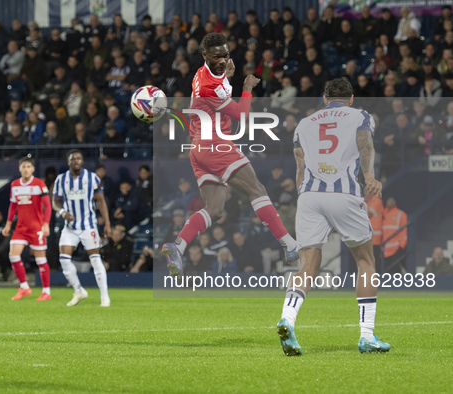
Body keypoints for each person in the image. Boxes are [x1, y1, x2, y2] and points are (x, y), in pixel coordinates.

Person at [162, 33, 299, 279]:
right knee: (257, 190)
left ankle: (178, 246)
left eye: (225, 55)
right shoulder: (209, 85)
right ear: (205, 55)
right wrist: (246, 88)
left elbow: (219, 95)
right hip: (216, 144)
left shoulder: (204, 74)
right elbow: (241, 115)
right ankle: (290, 244)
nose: (222, 60)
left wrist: (227, 77)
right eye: (217, 57)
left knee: (214, 209)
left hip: (199, 149)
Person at [276, 79, 390, 356]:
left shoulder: (304, 123)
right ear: (351, 98)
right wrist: (371, 177)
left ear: (325, 98)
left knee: (308, 266)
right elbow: (365, 146)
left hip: (309, 197)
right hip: (345, 194)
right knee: (365, 261)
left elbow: (300, 164)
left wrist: (303, 196)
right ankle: (366, 336)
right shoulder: (361, 115)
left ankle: (287, 319)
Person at [52, 149, 112, 307]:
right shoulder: (61, 179)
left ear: (82, 161)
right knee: (64, 259)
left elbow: (101, 201)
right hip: (70, 227)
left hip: (88, 226)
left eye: (78, 158)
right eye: (73, 159)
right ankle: (79, 290)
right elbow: (55, 202)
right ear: (68, 162)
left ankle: (104, 296)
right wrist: (63, 212)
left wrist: (107, 223)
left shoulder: (92, 178)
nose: (76, 161)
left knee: (95, 259)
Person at [2, 156, 53, 301]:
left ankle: (46, 292)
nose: (26, 169)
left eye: (28, 167)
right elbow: (13, 206)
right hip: (20, 228)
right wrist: (8, 224)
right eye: (23, 166)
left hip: (36, 228)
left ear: (33, 169)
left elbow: (48, 205)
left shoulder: (39, 184)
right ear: (19, 168)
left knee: (41, 259)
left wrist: (45, 224)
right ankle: (24, 287)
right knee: (13, 255)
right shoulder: (15, 185)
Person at [381, 197, 407, 274]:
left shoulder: (400, 214)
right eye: (388, 200)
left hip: (395, 249)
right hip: (383, 251)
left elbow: (404, 232)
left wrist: (402, 246)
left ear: (395, 202)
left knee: (393, 272)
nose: (390, 202)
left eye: (392, 200)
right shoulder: (382, 214)